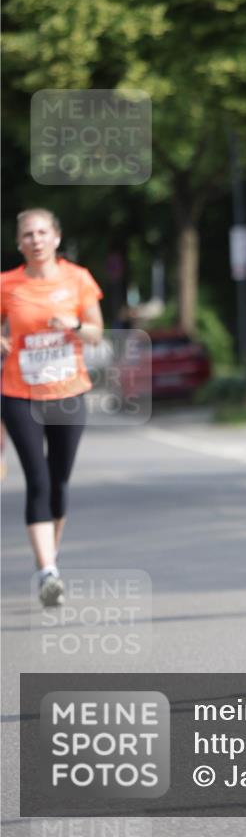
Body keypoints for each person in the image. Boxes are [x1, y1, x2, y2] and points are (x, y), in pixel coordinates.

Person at [1, 209, 103, 606]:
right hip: (18, 393)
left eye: (43, 232)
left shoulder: (77, 279)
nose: (36, 239)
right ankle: (48, 570)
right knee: (38, 481)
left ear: (56, 238)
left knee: (59, 481)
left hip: (67, 392)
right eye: (28, 234)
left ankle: (50, 558)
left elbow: (95, 332)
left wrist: (74, 326)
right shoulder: (6, 284)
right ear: (19, 242)